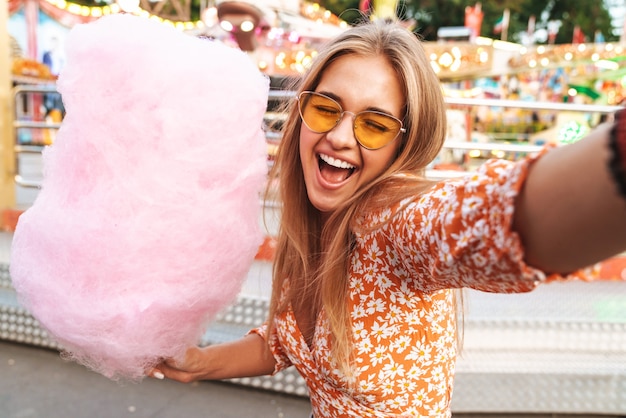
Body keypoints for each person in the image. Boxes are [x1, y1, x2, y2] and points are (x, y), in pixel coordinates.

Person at [150, 19, 626, 416]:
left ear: (405, 143)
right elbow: (287, 339)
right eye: (325, 107)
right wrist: (199, 362)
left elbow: (503, 216)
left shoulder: (396, 227)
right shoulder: (323, 227)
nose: (338, 136)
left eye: (374, 124)